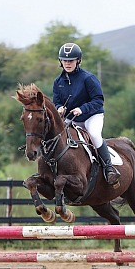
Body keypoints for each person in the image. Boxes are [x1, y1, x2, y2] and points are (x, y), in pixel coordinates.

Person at [52, 42, 120, 186]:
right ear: (61, 62)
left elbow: (98, 100)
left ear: (78, 60)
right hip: (72, 119)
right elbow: (56, 101)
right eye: (65, 60)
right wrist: (59, 108)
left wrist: (82, 109)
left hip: (92, 116)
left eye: (71, 60)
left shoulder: (88, 78)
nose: (68, 63)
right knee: (56, 137)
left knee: (94, 134)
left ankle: (109, 168)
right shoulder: (58, 82)